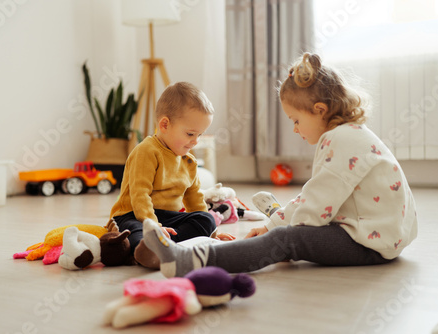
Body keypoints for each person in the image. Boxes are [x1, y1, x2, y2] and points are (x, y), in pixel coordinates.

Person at [141, 53, 418, 278]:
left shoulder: (340, 140)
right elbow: (324, 196)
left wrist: (274, 226)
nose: (295, 129)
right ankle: (279, 214)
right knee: (292, 225)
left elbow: (317, 206)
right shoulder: (352, 134)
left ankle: (190, 260)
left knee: (285, 238)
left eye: (295, 120)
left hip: (368, 243)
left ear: (320, 110)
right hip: (382, 233)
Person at [108, 82, 218, 269]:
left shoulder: (188, 161)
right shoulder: (147, 151)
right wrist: (153, 225)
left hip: (168, 217)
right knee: (135, 232)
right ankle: (148, 250)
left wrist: (211, 234)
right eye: (191, 133)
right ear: (164, 124)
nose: (195, 141)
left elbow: (195, 198)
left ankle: (165, 246)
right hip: (133, 214)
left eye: (200, 135)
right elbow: (140, 194)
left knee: (206, 220)